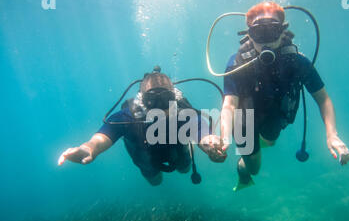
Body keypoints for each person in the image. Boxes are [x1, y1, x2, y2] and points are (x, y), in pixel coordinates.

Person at [218, 2, 349, 191]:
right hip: (243, 122)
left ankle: (251, 150)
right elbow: (230, 104)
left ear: (282, 32)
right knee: (254, 169)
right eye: (258, 33)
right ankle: (244, 171)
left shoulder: (297, 61)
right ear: (249, 34)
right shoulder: (237, 63)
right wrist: (224, 136)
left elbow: (323, 98)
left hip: (274, 115)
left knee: (270, 142)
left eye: (272, 31)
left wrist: (332, 135)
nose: (265, 41)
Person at [58, 68, 226, 186]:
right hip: (145, 153)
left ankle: (188, 152)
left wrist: (208, 142)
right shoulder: (127, 117)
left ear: (174, 98)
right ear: (142, 101)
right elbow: (102, 137)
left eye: (166, 99)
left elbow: (201, 130)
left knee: (184, 169)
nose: (160, 107)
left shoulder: (184, 113)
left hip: (176, 148)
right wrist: (89, 149)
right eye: (152, 101)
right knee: (155, 182)